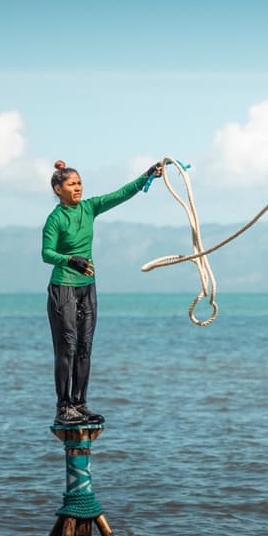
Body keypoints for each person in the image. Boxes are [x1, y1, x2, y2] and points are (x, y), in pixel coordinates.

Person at [43, 159, 162, 426]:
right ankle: (64, 408)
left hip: (88, 288)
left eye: (80, 183)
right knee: (68, 349)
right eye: (72, 184)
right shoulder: (55, 219)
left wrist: (146, 176)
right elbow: (46, 253)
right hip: (63, 287)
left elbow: (120, 194)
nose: (78, 188)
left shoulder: (90, 207)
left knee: (85, 348)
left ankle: (80, 404)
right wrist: (71, 260)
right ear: (58, 189)